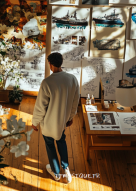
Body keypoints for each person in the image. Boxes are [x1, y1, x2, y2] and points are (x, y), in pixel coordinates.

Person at [32, 52, 80, 183]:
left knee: (50, 145)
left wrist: (34, 122)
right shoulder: (72, 79)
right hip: (62, 121)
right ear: (61, 62)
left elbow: (40, 106)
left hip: (48, 122)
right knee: (61, 141)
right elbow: (75, 101)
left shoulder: (47, 82)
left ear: (50, 65)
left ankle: (56, 173)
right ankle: (67, 169)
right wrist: (70, 117)